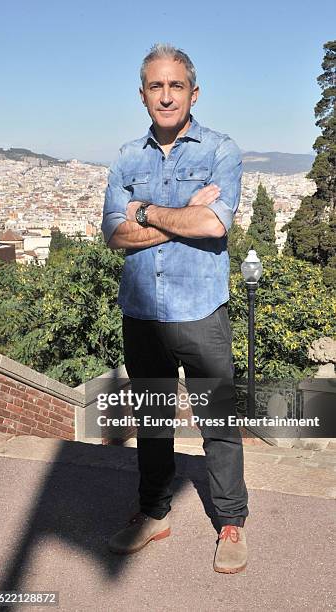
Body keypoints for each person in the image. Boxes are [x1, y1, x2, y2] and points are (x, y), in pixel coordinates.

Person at [101, 43, 248, 574]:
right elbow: (114, 235)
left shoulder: (220, 151)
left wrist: (144, 211)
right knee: (154, 420)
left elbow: (214, 225)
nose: (166, 96)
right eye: (156, 86)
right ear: (142, 95)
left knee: (218, 422)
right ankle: (152, 513)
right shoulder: (126, 156)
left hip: (201, 310)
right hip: (142, 313)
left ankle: (231, 522)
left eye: (176, 85)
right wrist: (178, 212)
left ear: (194, 92)